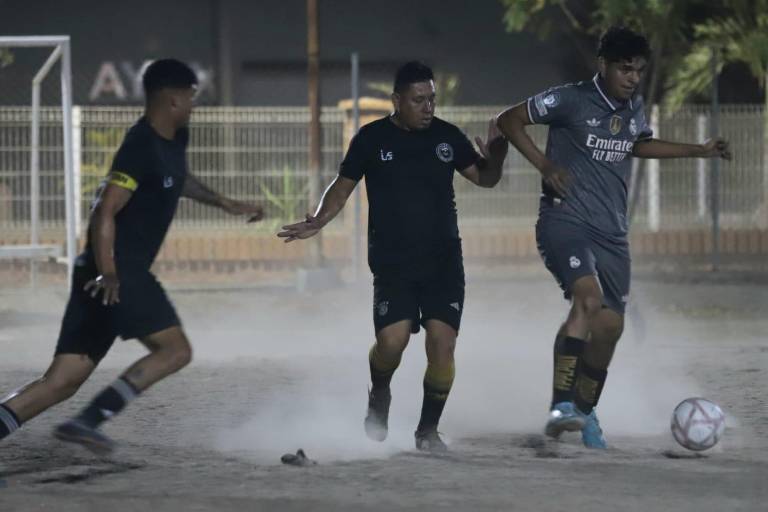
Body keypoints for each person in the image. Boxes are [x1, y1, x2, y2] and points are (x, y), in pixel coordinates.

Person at [0, 58, 263, 454]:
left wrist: (226, 203)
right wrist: (110, 274)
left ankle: (76, 421)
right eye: (191, 97)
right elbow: (105, 211)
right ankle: (87, 422)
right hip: (117, 269)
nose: (194, 105)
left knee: (63, 380)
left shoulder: (174, 139)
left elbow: (177, 179)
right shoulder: (139, 146)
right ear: (173, 99)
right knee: (176, 351)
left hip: (103, 272)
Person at [496, 26, 731, 448]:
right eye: (625, 69)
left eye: (639, 71)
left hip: (612, 234)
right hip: (564, 221)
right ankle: (560, 406)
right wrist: (546, 166)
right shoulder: (570, 99)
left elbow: (637, 145)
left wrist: (698, 150)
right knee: (586, 300)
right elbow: (508, 120)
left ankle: (584, 414)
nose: (633, 78)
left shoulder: (634, 106)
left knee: (609, 327)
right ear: (602, 65)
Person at [278, 61, 508, 452]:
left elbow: (485, 178)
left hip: (443, 261)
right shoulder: (371, 139)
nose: (428, 107)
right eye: (419, 100)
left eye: (432, 99)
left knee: (442, 343)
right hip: (393, 263)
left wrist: (498, 156)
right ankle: (379, 393)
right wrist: (318, 219)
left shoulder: (447, 138)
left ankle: (427, 432)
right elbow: (342, 185)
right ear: (397, 101)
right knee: (391, 342)